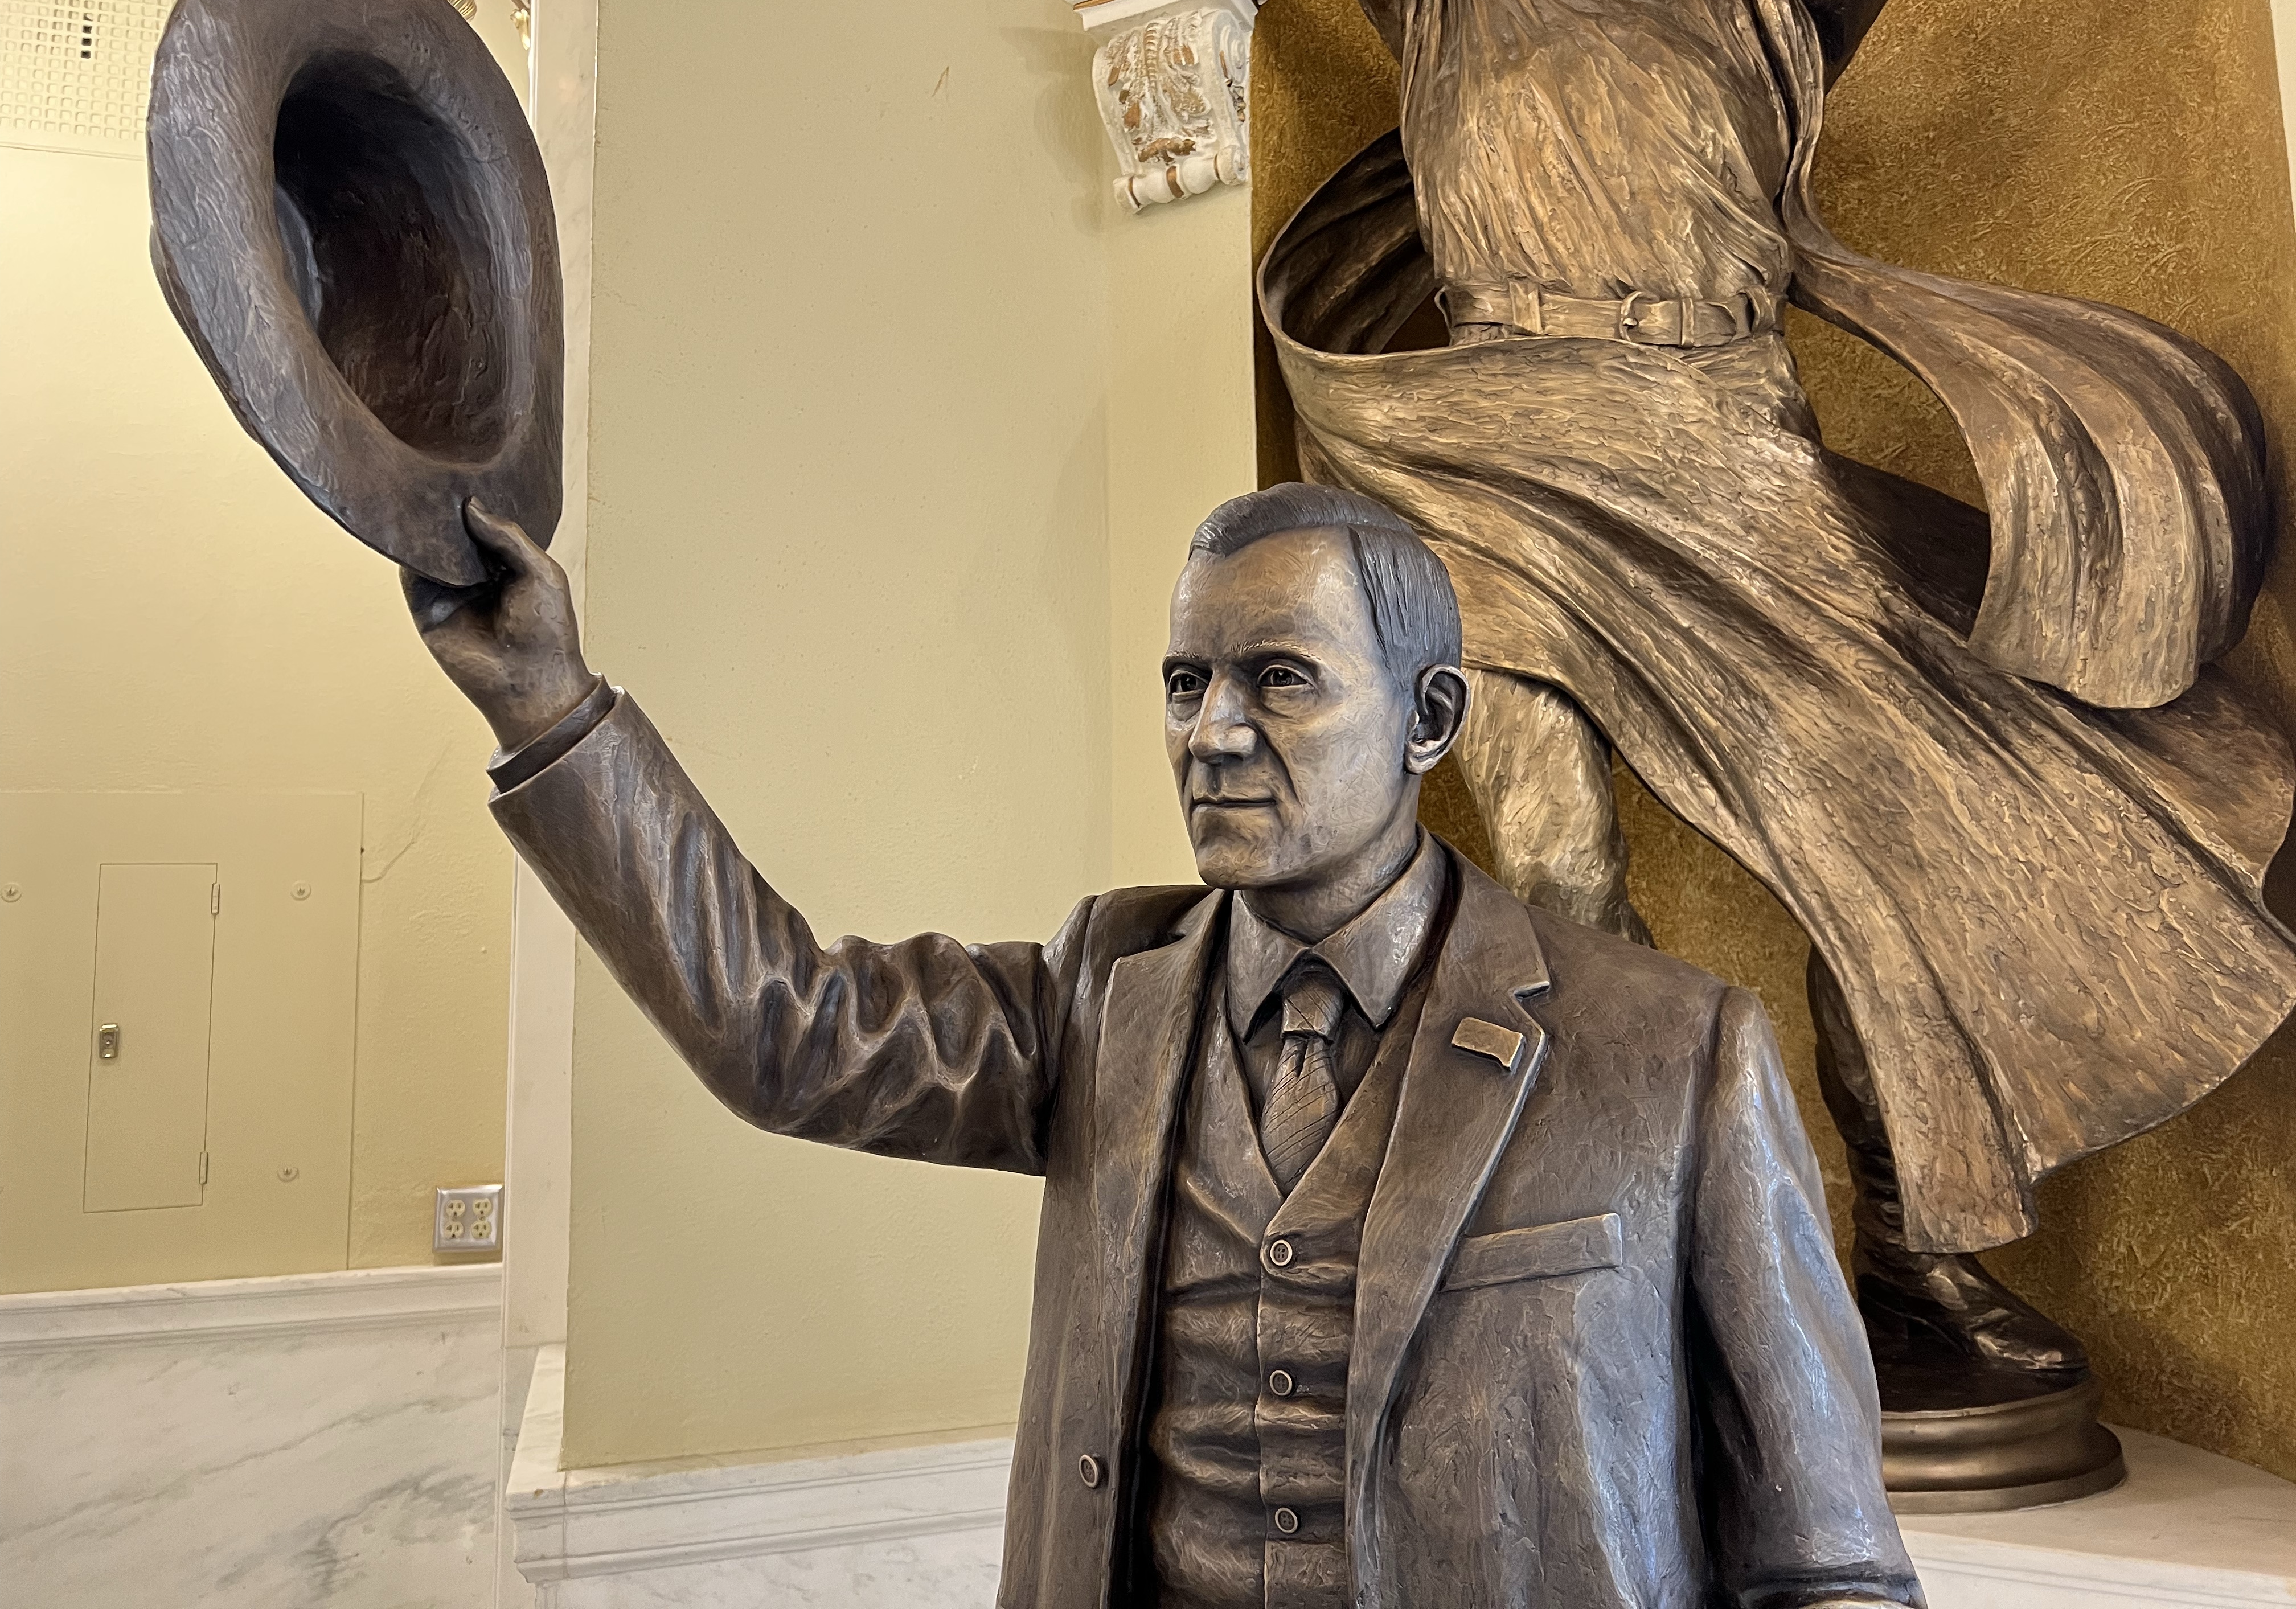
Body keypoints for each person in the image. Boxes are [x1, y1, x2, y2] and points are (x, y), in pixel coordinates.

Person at [407, 484, 1918, 1608]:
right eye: (1188, 683)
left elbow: (1830, 1568)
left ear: (1430, 717)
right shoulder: (1100, 995)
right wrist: (550, 709)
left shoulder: (1673, 1056)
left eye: (1281, 679)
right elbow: (781, 1024)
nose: (1212, 732)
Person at [1263, 0, 2296, 1389]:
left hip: (1732, 458)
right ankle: (1645, 1250)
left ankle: (1914, 1247)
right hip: (1495, 461)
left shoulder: (1762, 7)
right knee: (1555, 873)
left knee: (1876, 857)